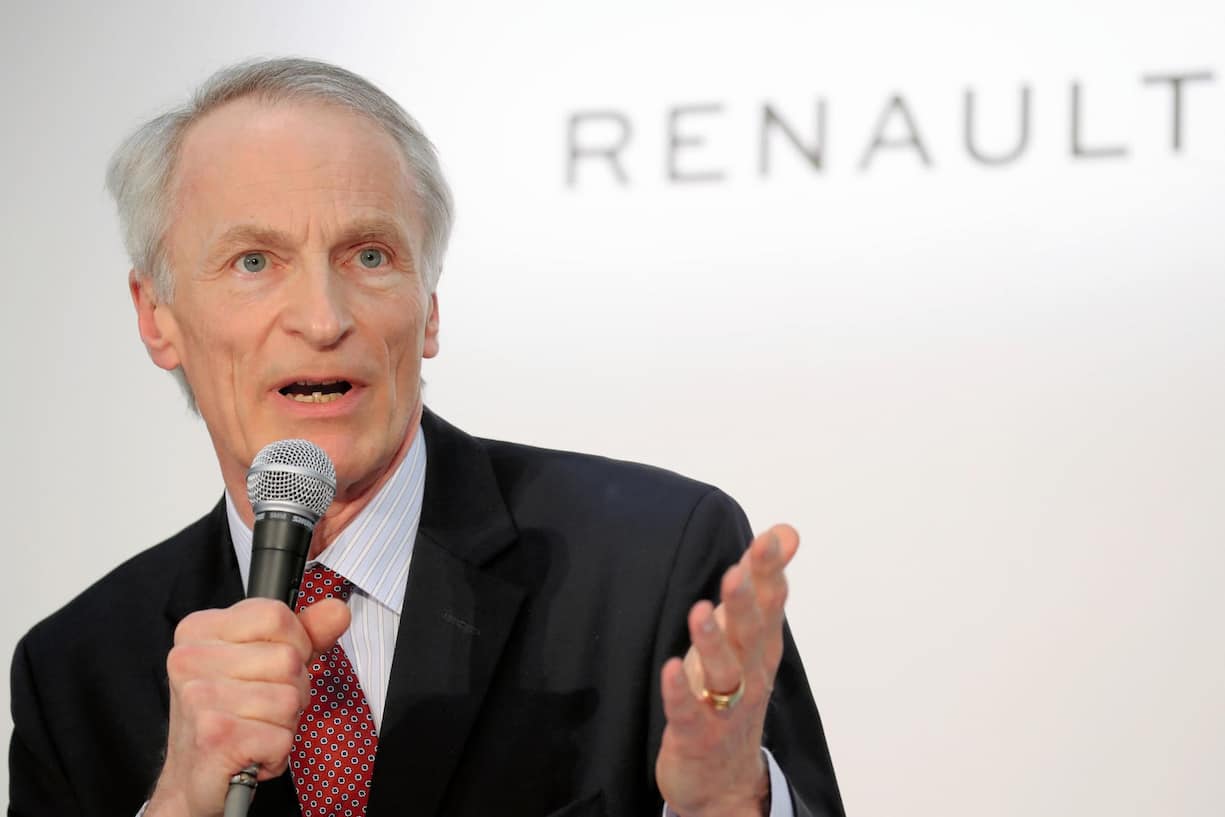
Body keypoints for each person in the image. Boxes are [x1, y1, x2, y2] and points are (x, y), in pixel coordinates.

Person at [8, 58, 843, 817]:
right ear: (156, 316)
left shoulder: (653, 561)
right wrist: (176, 802)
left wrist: (729, 804)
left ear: (429, 306)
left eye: (369, 256)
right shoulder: (77, 670)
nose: (323, 319)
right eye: (254, 261)